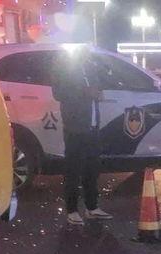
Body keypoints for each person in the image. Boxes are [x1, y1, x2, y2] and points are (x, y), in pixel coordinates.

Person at [51, 46, 112, 225]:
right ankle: (72, 211)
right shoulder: (66, 68)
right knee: (73, 170)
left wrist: (97, 93)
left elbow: (102, 82)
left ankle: (92, 207)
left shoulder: (90, 68)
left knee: (92, 169)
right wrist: (85, 92)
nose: (88, 53)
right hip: (75, 127)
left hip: (92, 126)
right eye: (85, 51)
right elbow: (59, 93)